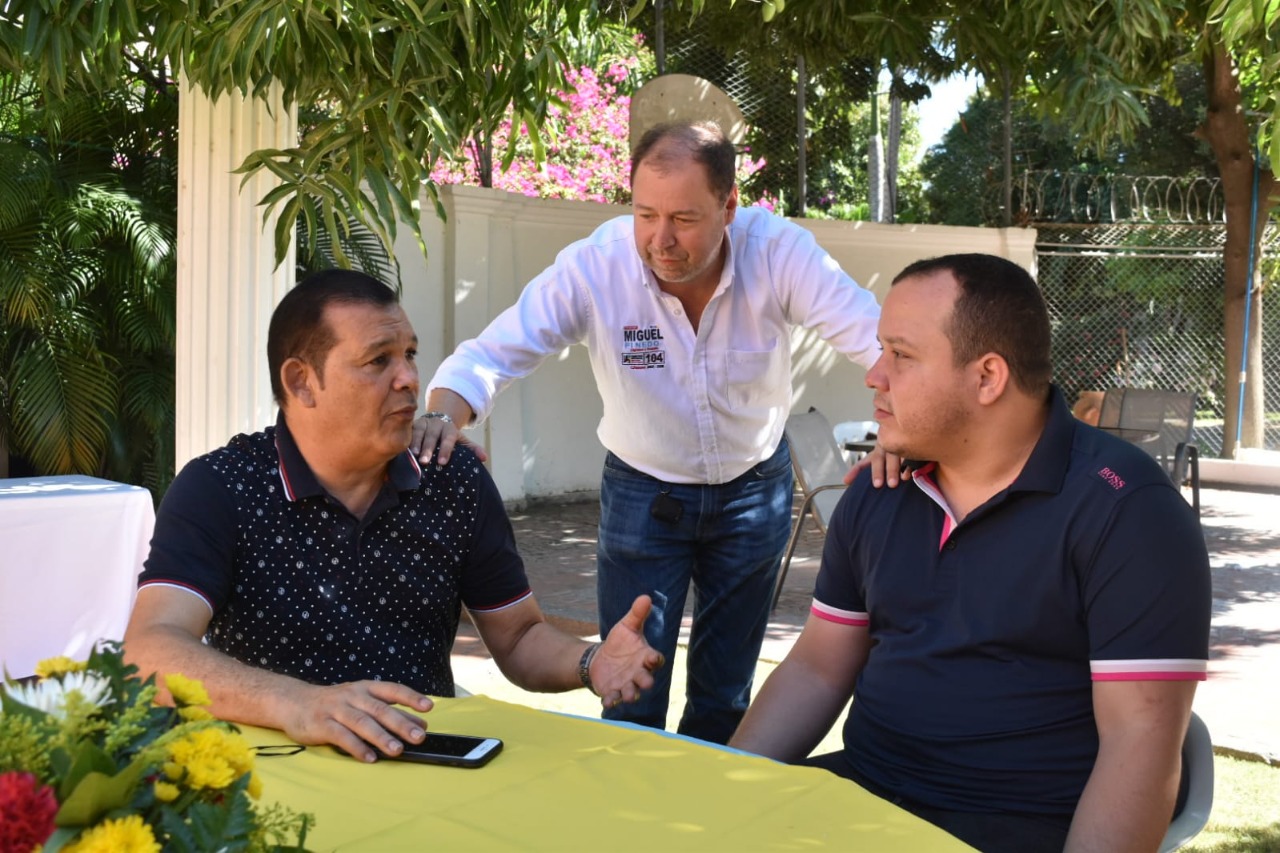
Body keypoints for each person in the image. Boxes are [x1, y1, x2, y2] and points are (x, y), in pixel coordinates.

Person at [419, 121, 883, 744]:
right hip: (644, 493)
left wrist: (904, 427)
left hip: (755, 491)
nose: (660, 240)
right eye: (645, 214)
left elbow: (879, 341)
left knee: (724, 692)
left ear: (729, 206)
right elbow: (491, 355)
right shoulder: (596, 266)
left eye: (685, 219)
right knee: (629, 685)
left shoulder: (779, 253)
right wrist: (443, 417)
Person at [728, 254, 1211, 853]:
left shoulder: (1127, 511)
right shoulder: (879, 494)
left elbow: (1141, 740)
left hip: (1014, 824)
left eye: (900, 355)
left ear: (987, 377)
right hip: (861, 798)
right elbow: (817, 669)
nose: (874, 375)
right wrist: (730, 788)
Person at [123, 269, 663, 764]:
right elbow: (151, 649)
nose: (407, 378)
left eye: (410, 354)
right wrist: (302, 705)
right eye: (378, 360)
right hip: (272, 773)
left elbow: (520, 639)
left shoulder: (452, 482)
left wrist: (591, 663)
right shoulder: (222, 486)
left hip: (423, 768)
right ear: (301, 381)